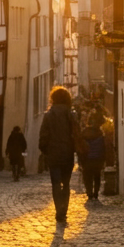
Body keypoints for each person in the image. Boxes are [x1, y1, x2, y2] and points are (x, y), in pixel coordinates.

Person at [38, 86, 81, 226]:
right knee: (66, 184)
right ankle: (64, 211)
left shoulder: (48, 115)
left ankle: (59, 211)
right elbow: (77, 132)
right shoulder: (71, 114)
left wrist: (45, 151)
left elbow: (43, 136)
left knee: (56, 183)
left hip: (53, 154)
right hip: (67, 153)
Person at [78, 111, 106, 202]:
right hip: (97, 158)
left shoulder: (84, 132)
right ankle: (96, 193)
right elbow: (103, 147)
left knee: (87, 177)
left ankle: (89, 193)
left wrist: (80, 159)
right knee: (97, 176)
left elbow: (81, 147)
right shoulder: (100, 133)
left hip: (87, 159)